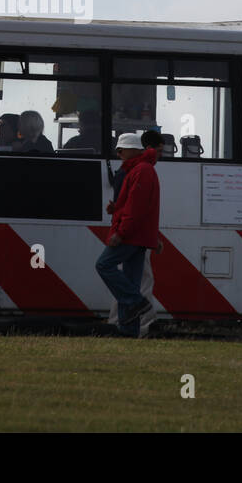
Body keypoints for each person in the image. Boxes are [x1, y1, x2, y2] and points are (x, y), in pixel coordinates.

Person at [95, 132, 159, 337]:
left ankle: (137, 302)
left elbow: (135, 208)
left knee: (104, 265)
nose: (119, 154)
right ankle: (128, 331)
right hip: (138, 235)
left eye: (121, 150)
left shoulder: (140, 170)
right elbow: (135, 205)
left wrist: (120, 233)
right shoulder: (141, 169)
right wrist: (116, 209)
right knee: (131, 281)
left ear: (133, 150)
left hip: (132, 235)